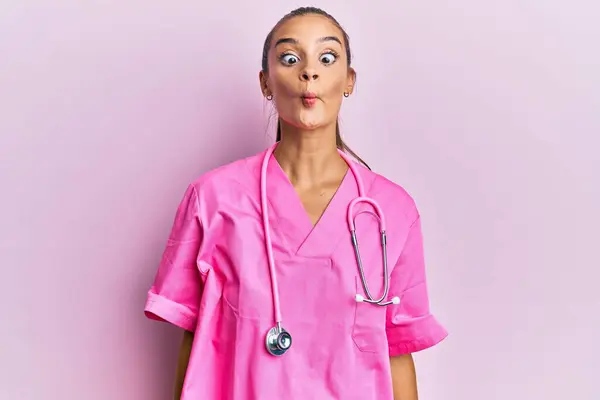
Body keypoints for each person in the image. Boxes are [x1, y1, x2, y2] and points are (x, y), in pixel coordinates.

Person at [144, 6, 447, 400]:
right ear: (266, 82)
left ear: (349, 80)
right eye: (290, 58)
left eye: (327, 57)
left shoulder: (391, 210)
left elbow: (397, 351)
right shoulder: (213, 199)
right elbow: (194, 340)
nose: (309, 72)